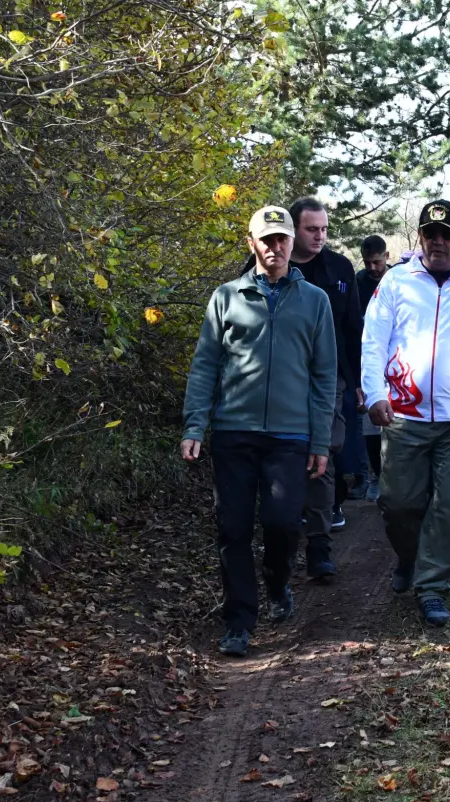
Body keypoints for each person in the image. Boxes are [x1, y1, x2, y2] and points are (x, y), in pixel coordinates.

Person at [181, 205, 336, 656]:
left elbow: (324, 375)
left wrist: (320, 440)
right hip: (234, 431)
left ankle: (278, 582)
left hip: (290, 436)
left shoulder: (316, 301)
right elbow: (205, 365)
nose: (276, 247)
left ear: (292, 243)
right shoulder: (226, 297)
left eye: (282, 239)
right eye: (266, 240)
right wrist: (196, 424)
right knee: (231, 528)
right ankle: (239, 621)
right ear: (251, 244)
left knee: (282, 523)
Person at [361, 199, 450, 626]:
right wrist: (374, 391)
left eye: (446, 234)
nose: (438, 242)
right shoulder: (396, 282)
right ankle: (410, 558)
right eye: (429, 234)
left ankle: (433, 587)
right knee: (398, 503)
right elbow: (373, 340)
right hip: (403, 415)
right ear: (420, 237)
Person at [241, 197, 361, 580]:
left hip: (330, 377)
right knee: (286, 459)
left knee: (322, 454)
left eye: (325, 229)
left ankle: (320, 547)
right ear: (293, 232)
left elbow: (354, 329)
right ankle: (284, 541)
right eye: (312, 229)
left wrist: (358, 382)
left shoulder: (341, 268)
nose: (320, 236)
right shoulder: (264, 265)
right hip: (278, 383)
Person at [356, 234, 390, 502]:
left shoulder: (398, 279)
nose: (372, 268)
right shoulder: (358, 283)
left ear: (387, 257)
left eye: (377, 262)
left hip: (399, 364)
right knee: (370, 425)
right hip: (368, 358)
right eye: (367, 263)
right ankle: (376, 476)